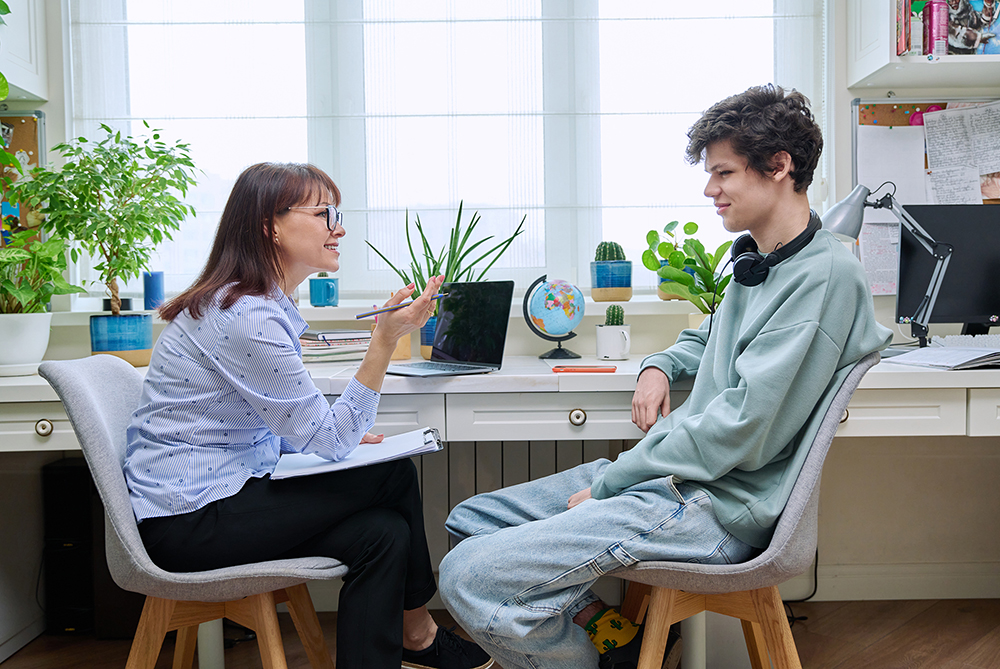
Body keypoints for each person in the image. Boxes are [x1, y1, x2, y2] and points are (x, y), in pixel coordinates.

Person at [437, 84, 893, 669]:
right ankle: (613, 642)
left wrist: (611, 483)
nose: (710, 190)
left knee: (469, 576)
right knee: (470, 521)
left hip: (717, 503)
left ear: (779, 166)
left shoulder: (823, 276)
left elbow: (743, 427)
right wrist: (659, 364)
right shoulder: (764, 261)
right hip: (681, 481)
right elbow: (709, 338)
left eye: (723, 173)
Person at [124, 162, 493, 669]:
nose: (338, 227)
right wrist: (384, 341)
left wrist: (327, 439)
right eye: (324, 213)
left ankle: (411, 641)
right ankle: (421, 634)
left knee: (383, 533)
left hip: (220, 494)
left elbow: (264, 426)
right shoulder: (247, 315)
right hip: (188, 520)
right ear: (269, 226)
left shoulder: (255, 303)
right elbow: (332, 437)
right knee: (392, 474)